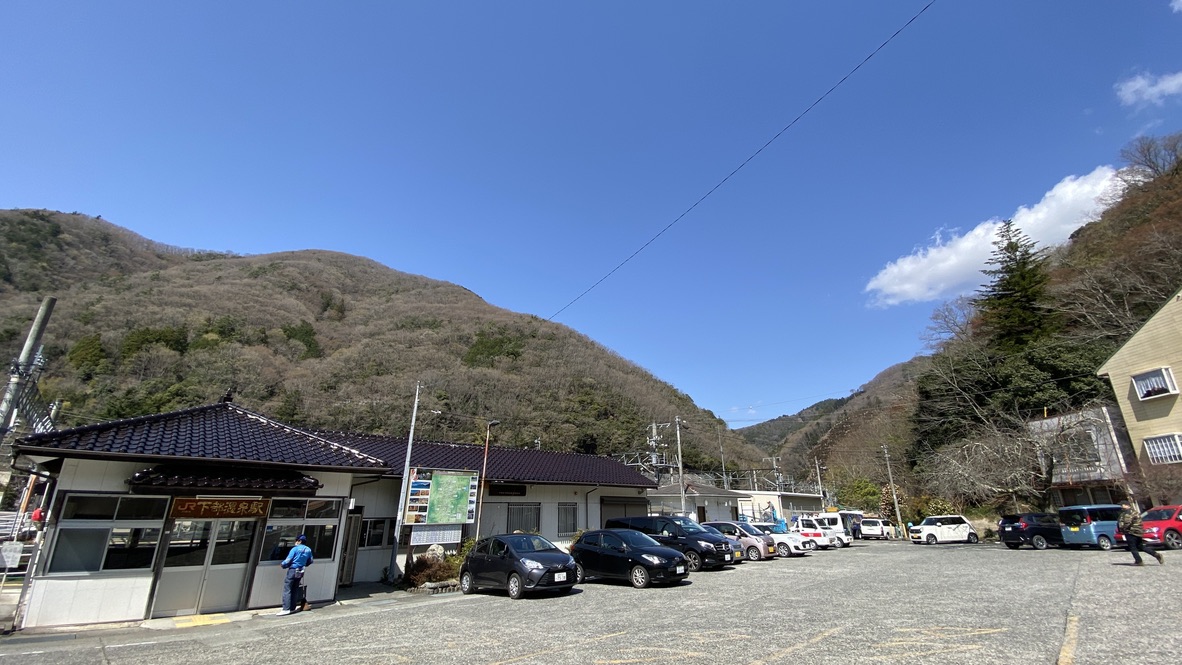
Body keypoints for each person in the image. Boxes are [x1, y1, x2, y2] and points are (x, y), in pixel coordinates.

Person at [1118, 500, 1164, 566]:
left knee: (1132, 547)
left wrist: (1123, 529)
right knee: (1140, 546)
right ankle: (1156, 555)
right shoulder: (1135, 512)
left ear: (1127, 505)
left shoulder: (1128, 513)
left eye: (1122, 505)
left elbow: (1127, 523)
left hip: (1131, 532)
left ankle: (1139, 561)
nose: (1121, 506)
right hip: (1138, 532)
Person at [277, 534, 314, 615]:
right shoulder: (308, 550)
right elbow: (310, 560)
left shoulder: (295, 549)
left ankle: (286, 608)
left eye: (297, 540)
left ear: (299, 541)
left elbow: (288, 560)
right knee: (295, 588)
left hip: (293, 570)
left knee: (287, 589)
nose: (296, 542)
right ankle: (292, 607)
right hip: (301, 571)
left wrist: (282, 565)